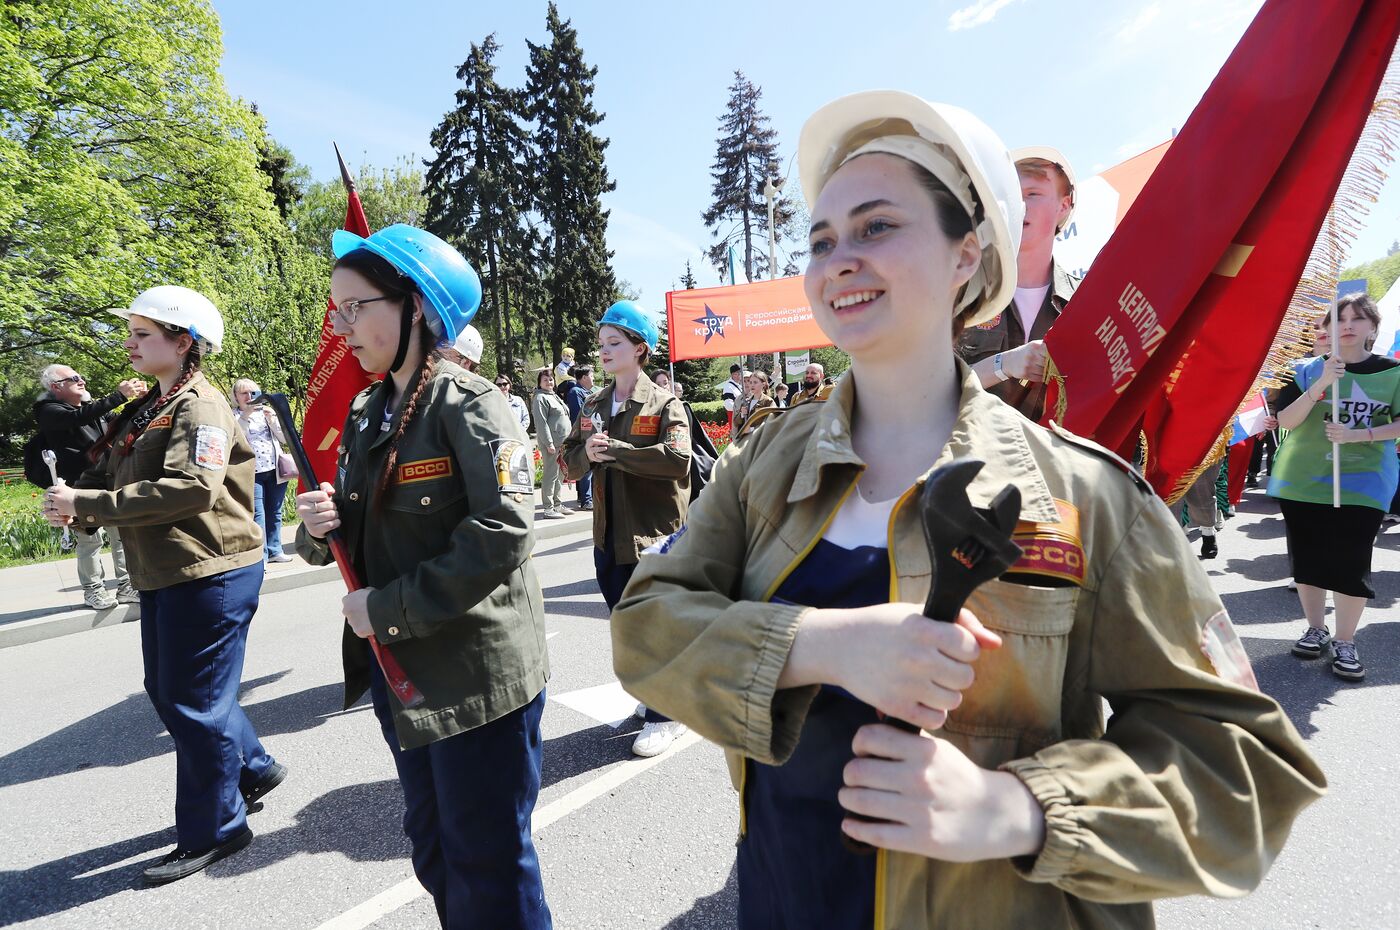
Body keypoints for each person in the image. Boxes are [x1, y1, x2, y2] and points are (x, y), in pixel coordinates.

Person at [610, 90, 1323, 928]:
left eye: (877, 227)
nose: (839, 258)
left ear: (966, 256)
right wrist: (820, 645)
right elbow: (644, 626)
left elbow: (1246, 773)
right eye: (822, 240)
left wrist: (1015, 810)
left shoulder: (1086, 499)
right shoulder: (762, 465)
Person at [294, 224, 552, 928]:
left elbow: (504, 532)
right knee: (436, 851)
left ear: (416, 307)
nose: (340, 325)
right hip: (401, 671)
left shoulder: (470, 404)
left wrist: (390, 607)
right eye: (335, 309)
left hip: (474, 675)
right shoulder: (366, 410)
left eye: (355, 306)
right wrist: (316, 527)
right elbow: (352, 526)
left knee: (490, 860)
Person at [43, 286, 283, 884]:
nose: (129, 343)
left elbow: (190, 489)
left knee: (190, 700)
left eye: (143, 334)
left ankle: (217, 829)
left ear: (183, 343)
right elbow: (110, 472)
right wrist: (78, 504)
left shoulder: (197, 405)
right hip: (170, 569)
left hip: (210, 571)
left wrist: (90, 500)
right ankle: (251, 768)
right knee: (177, 691)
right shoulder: (151, 404)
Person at [562, 300, 693, 757]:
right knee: (626, 626)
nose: (603, 351)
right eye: (600, 344)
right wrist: (587, 456)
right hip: (607, 537)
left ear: (640, 348)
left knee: (654, 627)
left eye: (614, 343)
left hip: (653, 538)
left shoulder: (665, 404)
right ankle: (653, 692)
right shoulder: (594, 403)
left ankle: (667, 714)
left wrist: (616, 451)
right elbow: (568, 460)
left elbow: (678, 461)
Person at [1269, 294, 1400, 682]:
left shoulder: (1392, 373)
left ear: (1373, 328)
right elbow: (1287, 420)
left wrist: (1361, 435)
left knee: (1351, 558)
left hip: (1365, 481)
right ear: (1326, 328)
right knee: (1307, 558)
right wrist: (1323, 382)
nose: (1347, 325)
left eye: (1358, 318)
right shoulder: (1304, 370)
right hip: (1303, 479)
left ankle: (1345, 640)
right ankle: (1315, 627)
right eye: (1339, 318)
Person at [956, 146, 1079, 420]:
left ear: (1063, 205)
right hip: (976, 458)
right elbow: (930, 396)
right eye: (1012, 195)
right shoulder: (963, 297)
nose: (1020, 205)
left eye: (1033, 194)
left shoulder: (1087, 304)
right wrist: (1002, 364)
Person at [33, 364, 143, 608]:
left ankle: (126, 586)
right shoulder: (49, 411)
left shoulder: (89, 409)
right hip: (77, 485)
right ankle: (93, 590)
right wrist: (119, 396)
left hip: (106, 479)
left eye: (81, 376)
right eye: (74, 378)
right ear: (56, 387)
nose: (81, 380)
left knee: (120, 535)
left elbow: (117, 422)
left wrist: (138, 403)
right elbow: (78, 418)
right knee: (89, 540)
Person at [232, 379, 294, 563]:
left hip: (275, 469)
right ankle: (262, 556)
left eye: (253, 392)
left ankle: (275, 550)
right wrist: (246, 416)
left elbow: (284, 439)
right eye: (244, 393)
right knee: (258, 514)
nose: (249, 397)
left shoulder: (267, 413)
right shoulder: (234, 416)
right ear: (236, 396)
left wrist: (273, 420)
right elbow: (237, 440)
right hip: (252, 472)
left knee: (275, 511)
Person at [533, 369, 573, 519]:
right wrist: (549, 443)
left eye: (550, 379)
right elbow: (541, 423)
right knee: (550, 475)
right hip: (552, 443)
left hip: (563, 443)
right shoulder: (540, 398)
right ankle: (548, 508)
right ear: (539, 383)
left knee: (560, 475)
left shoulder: (554, 396)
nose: (549, 382)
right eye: (545, 380)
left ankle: (557, 504)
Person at [1171, 461, 1222, 559]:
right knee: (1170, 491)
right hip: (1169, 448)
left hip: (1204, 449)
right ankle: (1170, 540)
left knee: (1202, 490)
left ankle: (1208, 532)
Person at [565, 365, 595, 511]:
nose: (593, 378)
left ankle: (585, 496)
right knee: (586, 467)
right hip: (584, 434)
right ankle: (586, 500)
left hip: (591, 432)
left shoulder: (589, 392)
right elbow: (580, 415)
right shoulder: (575, 392)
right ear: (583, 378)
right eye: (591, 375)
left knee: (590, 467)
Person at [733, 369, 775, 437]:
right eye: (751, 382)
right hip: (746, 440)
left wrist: (752, 429)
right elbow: (736, 423)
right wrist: (741, 415)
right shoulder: (746, 402)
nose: (752, 385)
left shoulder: (768, 401)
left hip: (761, 439)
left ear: (763, 384)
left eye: (755, 382)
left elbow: (773, 421)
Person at [722, 363, 745, 428]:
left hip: (741, 416)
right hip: (734, 418)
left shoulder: (739, 385)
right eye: (736, 374)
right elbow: (728, 405)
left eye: (739, 373)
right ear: (732, 374)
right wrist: (740, 409)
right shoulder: (728, 387)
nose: (738, 376)